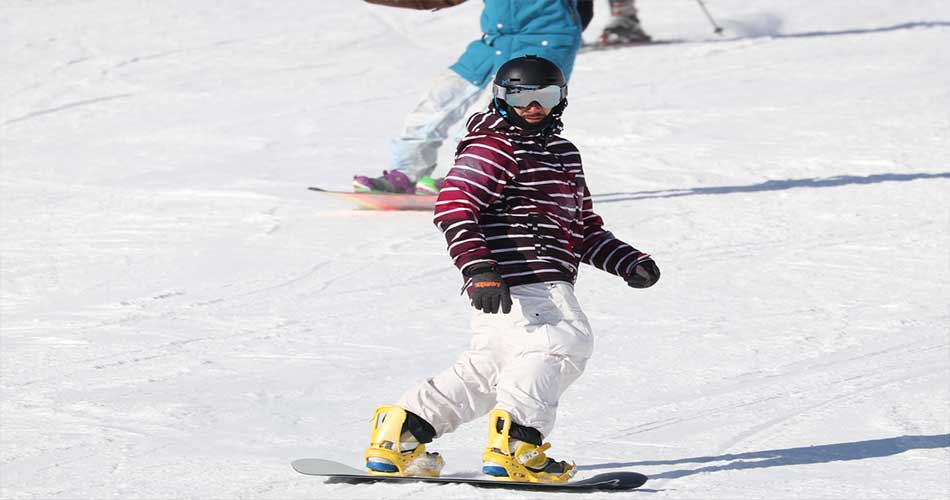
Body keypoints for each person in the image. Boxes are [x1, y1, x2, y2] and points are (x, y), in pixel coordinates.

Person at [363, 55, 661, 483]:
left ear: (561, 99)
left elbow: (581, 229)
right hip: (518, 278)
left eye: (545, 95)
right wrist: (480, 268)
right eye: (520, 96)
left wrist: (627, 260)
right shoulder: (494, 147)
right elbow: (454, 206)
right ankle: (518, 443)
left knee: (486, 372)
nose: (533, 106)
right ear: (501, 97)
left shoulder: (562, 154)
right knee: (561, 343)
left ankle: (403, 432)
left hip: (517, 288)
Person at [354, 0, 595, 195]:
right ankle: (405, 174)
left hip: (545, 40)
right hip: (496, 40)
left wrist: (567, 27)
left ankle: (473, 179)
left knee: (492, 117)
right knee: (436, 103)